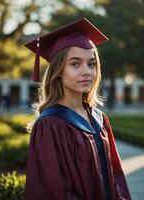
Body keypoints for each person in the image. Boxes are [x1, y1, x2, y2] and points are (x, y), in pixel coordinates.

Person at [25, 18, 131, 200]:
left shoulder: (100, 119)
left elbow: (116, 178)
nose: (86, 72)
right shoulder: (51, 125)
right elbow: (53, 191)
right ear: (58, 71)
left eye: (91, 64)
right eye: (75, 64)